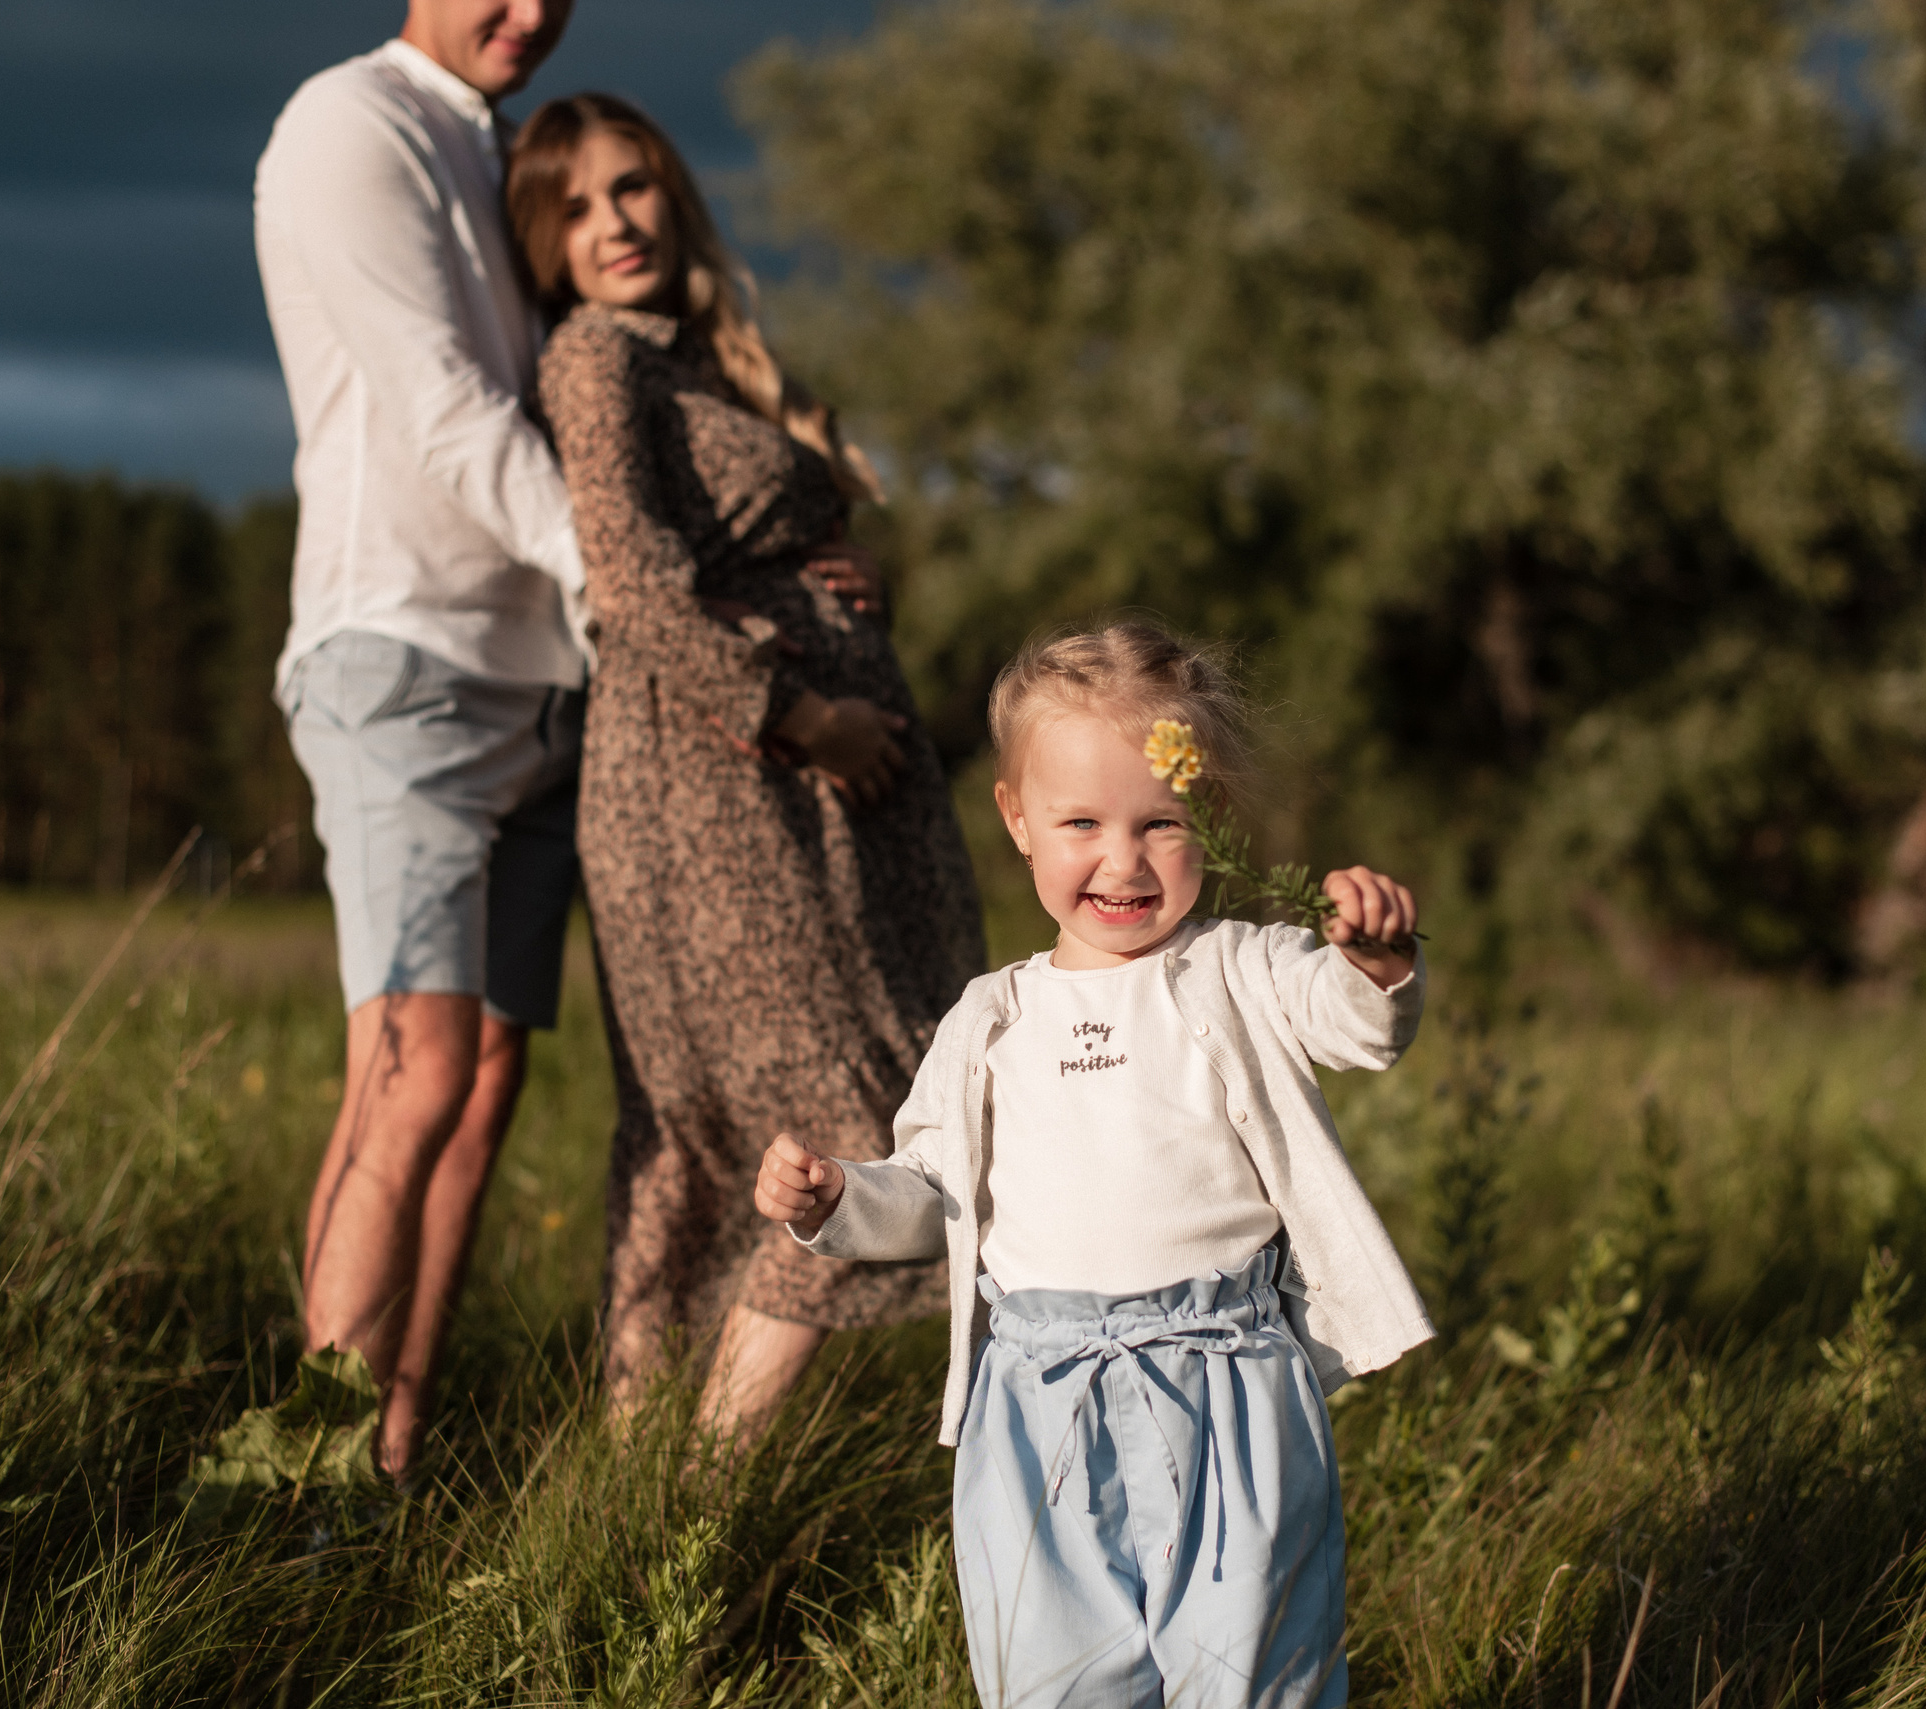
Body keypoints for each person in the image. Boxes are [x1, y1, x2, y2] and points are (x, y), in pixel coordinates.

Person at [754, 620, 1433, 1709]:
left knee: (1251, 1675)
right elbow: (927, 1193)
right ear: (1018, 819)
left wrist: (1374, 962)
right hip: (1034, 1407)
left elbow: (1353, 1024)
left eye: (1161, 822)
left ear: (1209, 816)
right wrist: (838, 1196)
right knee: (1055, 1679)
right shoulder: (989, 1019)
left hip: (1229, 1385)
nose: (1121, 861)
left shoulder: (1240, 968)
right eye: (1081, 822)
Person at [511, 94, 987, 1437]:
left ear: (675, 192)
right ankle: (699, 1503)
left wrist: (822, 580)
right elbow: (638, 593)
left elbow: (725, 547)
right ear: (543, 243)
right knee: (829, 1120)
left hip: (796, 791)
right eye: (578, 206)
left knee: (713, 1144)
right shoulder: (596, 359)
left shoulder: (706, 357)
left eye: (635, 187)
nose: (615, 224)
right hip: (719, 788)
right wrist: (805, 712)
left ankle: (635, 1479)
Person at [252, 0, 589, 1478]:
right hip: (403, 658)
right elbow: (446, 414)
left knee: (487, 1077)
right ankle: (289, 1499)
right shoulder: (351, 125)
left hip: (547, 674)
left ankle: (388, 1460)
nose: (530, 12)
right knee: (415, 1071)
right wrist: (637, 577)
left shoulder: (504, 150)